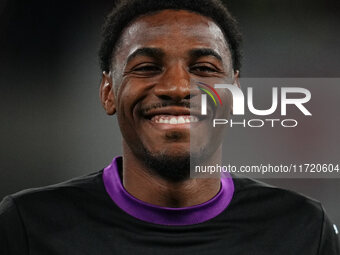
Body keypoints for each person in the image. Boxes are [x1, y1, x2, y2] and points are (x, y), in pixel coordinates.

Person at [0, 0, 339, 254]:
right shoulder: (27, 226)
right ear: (108, 92)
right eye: (147, 67)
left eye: (204, 68)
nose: (177, 87)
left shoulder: (304, 230)